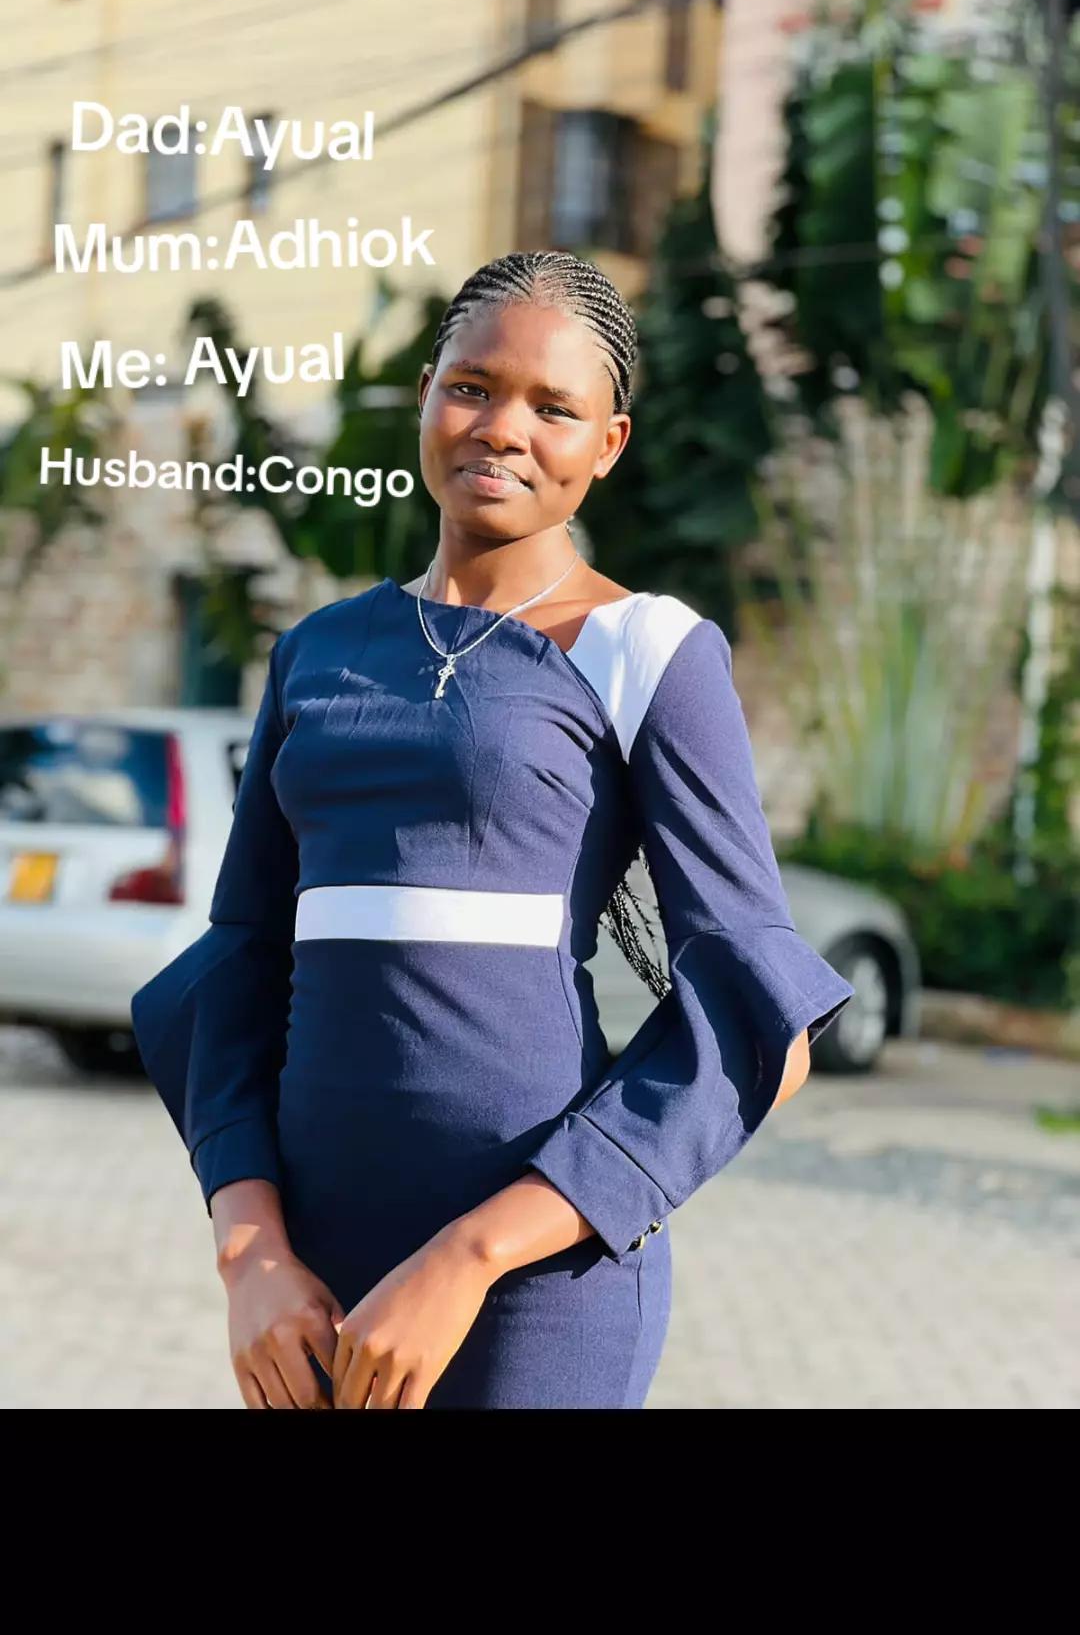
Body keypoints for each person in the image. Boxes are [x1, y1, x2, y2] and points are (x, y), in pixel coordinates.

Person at [131, 250, 854, 1411]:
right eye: (472, 387)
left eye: (554, 408)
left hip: (531, 1283)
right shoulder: (317, 652)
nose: (503, 428)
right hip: (311, 1282)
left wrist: (469, 1258)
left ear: (607, 444)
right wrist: (250, 1252)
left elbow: (753, 1019)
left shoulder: (647, 651)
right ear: (426, 393)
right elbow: (238, 971)